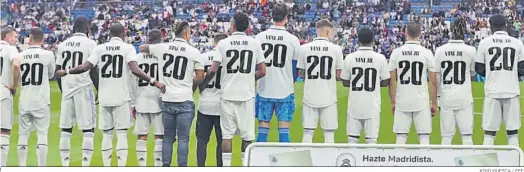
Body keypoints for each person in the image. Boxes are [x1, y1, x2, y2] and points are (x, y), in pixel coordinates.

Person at [56, 23, 165, 167]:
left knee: (107, 134)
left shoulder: (100, 48)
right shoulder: (128, 48)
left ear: (109, 33)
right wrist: (153, 80)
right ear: (124, 33)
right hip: (121, 96)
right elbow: (135, 70)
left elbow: (85, 67)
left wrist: (67, 71)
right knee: (121, 134)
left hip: (104, 96)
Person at [202, 12, 266, 166]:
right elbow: (263, 71)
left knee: (227, 136)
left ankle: (226, 167)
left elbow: (213, 69)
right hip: (247, 94)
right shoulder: (254, 43)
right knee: (247, 136)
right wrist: (249, 78)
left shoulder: (223, 44)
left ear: (233, 25)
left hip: (228, 95)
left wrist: (203, 85)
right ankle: (246, 166)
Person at [139, 21, 204, 167]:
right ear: (186, 33)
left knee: (168, 138)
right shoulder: (194, 52)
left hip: (167, 98)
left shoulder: (163, 47)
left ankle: (166, 166)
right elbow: (200, 77)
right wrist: (189, 84)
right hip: (185, 98)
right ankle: (182, 166)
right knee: (183, 139)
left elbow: (142, 47)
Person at [55, 16, 99, 167]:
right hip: (84, 88)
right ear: (87, 28)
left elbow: (57, 72)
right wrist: (99, 89)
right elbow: (93, 70)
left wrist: (64, 90)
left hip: (67, 89)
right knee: (88, 129)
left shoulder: (62, 44)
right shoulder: (91, 44)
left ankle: (65, 165)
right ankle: (85, 166)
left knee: (66, 129)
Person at [254, 3, 301, 143]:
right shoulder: (292, 40)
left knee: (263, 126)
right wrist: (288, 79)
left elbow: (256, 65)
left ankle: (259, 161)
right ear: (286, 18)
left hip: (264, 89)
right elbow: (295, 69)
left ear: (271, 17)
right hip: (284, 90)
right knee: (284, 128)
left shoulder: (260, 38)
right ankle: (283, 163)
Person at [475, 14, 524, 146]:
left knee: (489, 134)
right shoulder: (517, 43)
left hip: (492, 91)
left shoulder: (484, 43)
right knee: (513, 133)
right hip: (512, 90)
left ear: (491, 26)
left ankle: (486, 165)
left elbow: (479, 69)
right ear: (505, 25)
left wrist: (492, 73)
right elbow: (522, 69)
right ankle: (515, 164)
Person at [389, 22, 437, 145]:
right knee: (424, 137)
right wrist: (434, 103)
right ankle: (425, 164)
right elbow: (432, 82)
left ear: (405, 33)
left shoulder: (396, 52)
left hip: (402, 100)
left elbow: (392, 81)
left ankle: (398, 164)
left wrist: (393, 102)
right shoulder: (427, 53)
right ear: (420, 34)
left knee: (400, 137)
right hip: (421, 101)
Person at [341, 27, 390, 145]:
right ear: (373, 40)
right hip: (372, 105)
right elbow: (385, 81)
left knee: (352, 141)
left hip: (354, 105)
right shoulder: (380, 58)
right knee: (371, 142)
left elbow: (344, 81)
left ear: (358, 40)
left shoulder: (350, 57)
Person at [297, 19, 343, 143]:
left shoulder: (304, 48)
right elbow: (339, 76)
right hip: (329, 96)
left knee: (307, 132)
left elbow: (300, 74)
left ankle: (305, 162)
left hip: (309, 96)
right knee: (329, 134)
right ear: (328, 31)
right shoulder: (336, 49)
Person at [434, 18, 476, 145]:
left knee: (446, 137)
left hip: (446, 97)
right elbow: (473, 72)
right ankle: (468, 164)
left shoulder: (440, 50)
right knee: (467, 136)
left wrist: (437, 97)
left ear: (451, 30)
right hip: (464, 97)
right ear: (464, 30)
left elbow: (437, 76)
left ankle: (445, 163)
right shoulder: (471, 50)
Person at [17, 27, 55, 166]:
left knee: (23, 134)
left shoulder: (20, 55)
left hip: (25, 99)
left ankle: (22, 166)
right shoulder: (49, 54)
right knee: (42, 133)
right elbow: (51, 75)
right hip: (41, 100)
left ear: (30, 39)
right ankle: (41, 166)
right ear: (43, 39)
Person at [130, 29, 163, 167]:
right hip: (159, 100)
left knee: (142, 136)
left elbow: (131, 82)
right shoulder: (162, 57)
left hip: (141, 99)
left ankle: (142, 166)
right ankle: (158, 166)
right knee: (159, 137)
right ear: (160, 40)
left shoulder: (137, 58)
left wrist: (132, 104)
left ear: (148, 39)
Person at [196, 33, 227, 167]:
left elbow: (198, 78)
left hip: (205, 103)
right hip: (223, 103)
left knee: (202, 141)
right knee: (222, 141)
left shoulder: (203, 57)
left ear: (214, 43)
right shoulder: (228, 58)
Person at [0, 27, 21, 167]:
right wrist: (14, 85)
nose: (16, 39)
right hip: (3, 91)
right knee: (4, 130)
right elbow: (16, 66)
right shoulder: (10, 49)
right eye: (14, 37)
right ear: (7, 37)